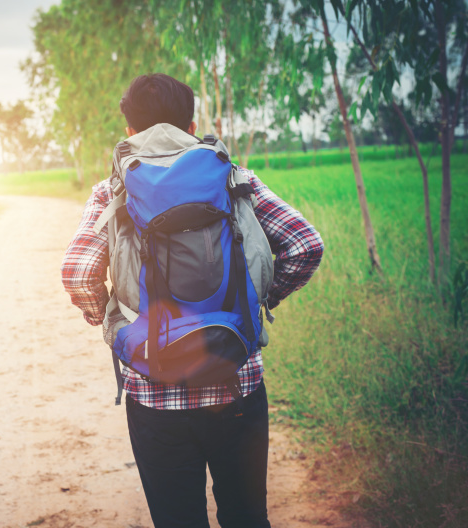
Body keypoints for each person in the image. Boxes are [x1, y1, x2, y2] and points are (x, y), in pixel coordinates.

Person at [61, 73, 324, 527]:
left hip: (155, 392)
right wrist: (260, 299)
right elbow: (305, 245)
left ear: (130, 131)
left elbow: (78, 273)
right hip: (236, 382)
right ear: (191, 125)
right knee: (247, 518)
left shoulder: (112, 191)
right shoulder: (233, 177)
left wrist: (108, 316)